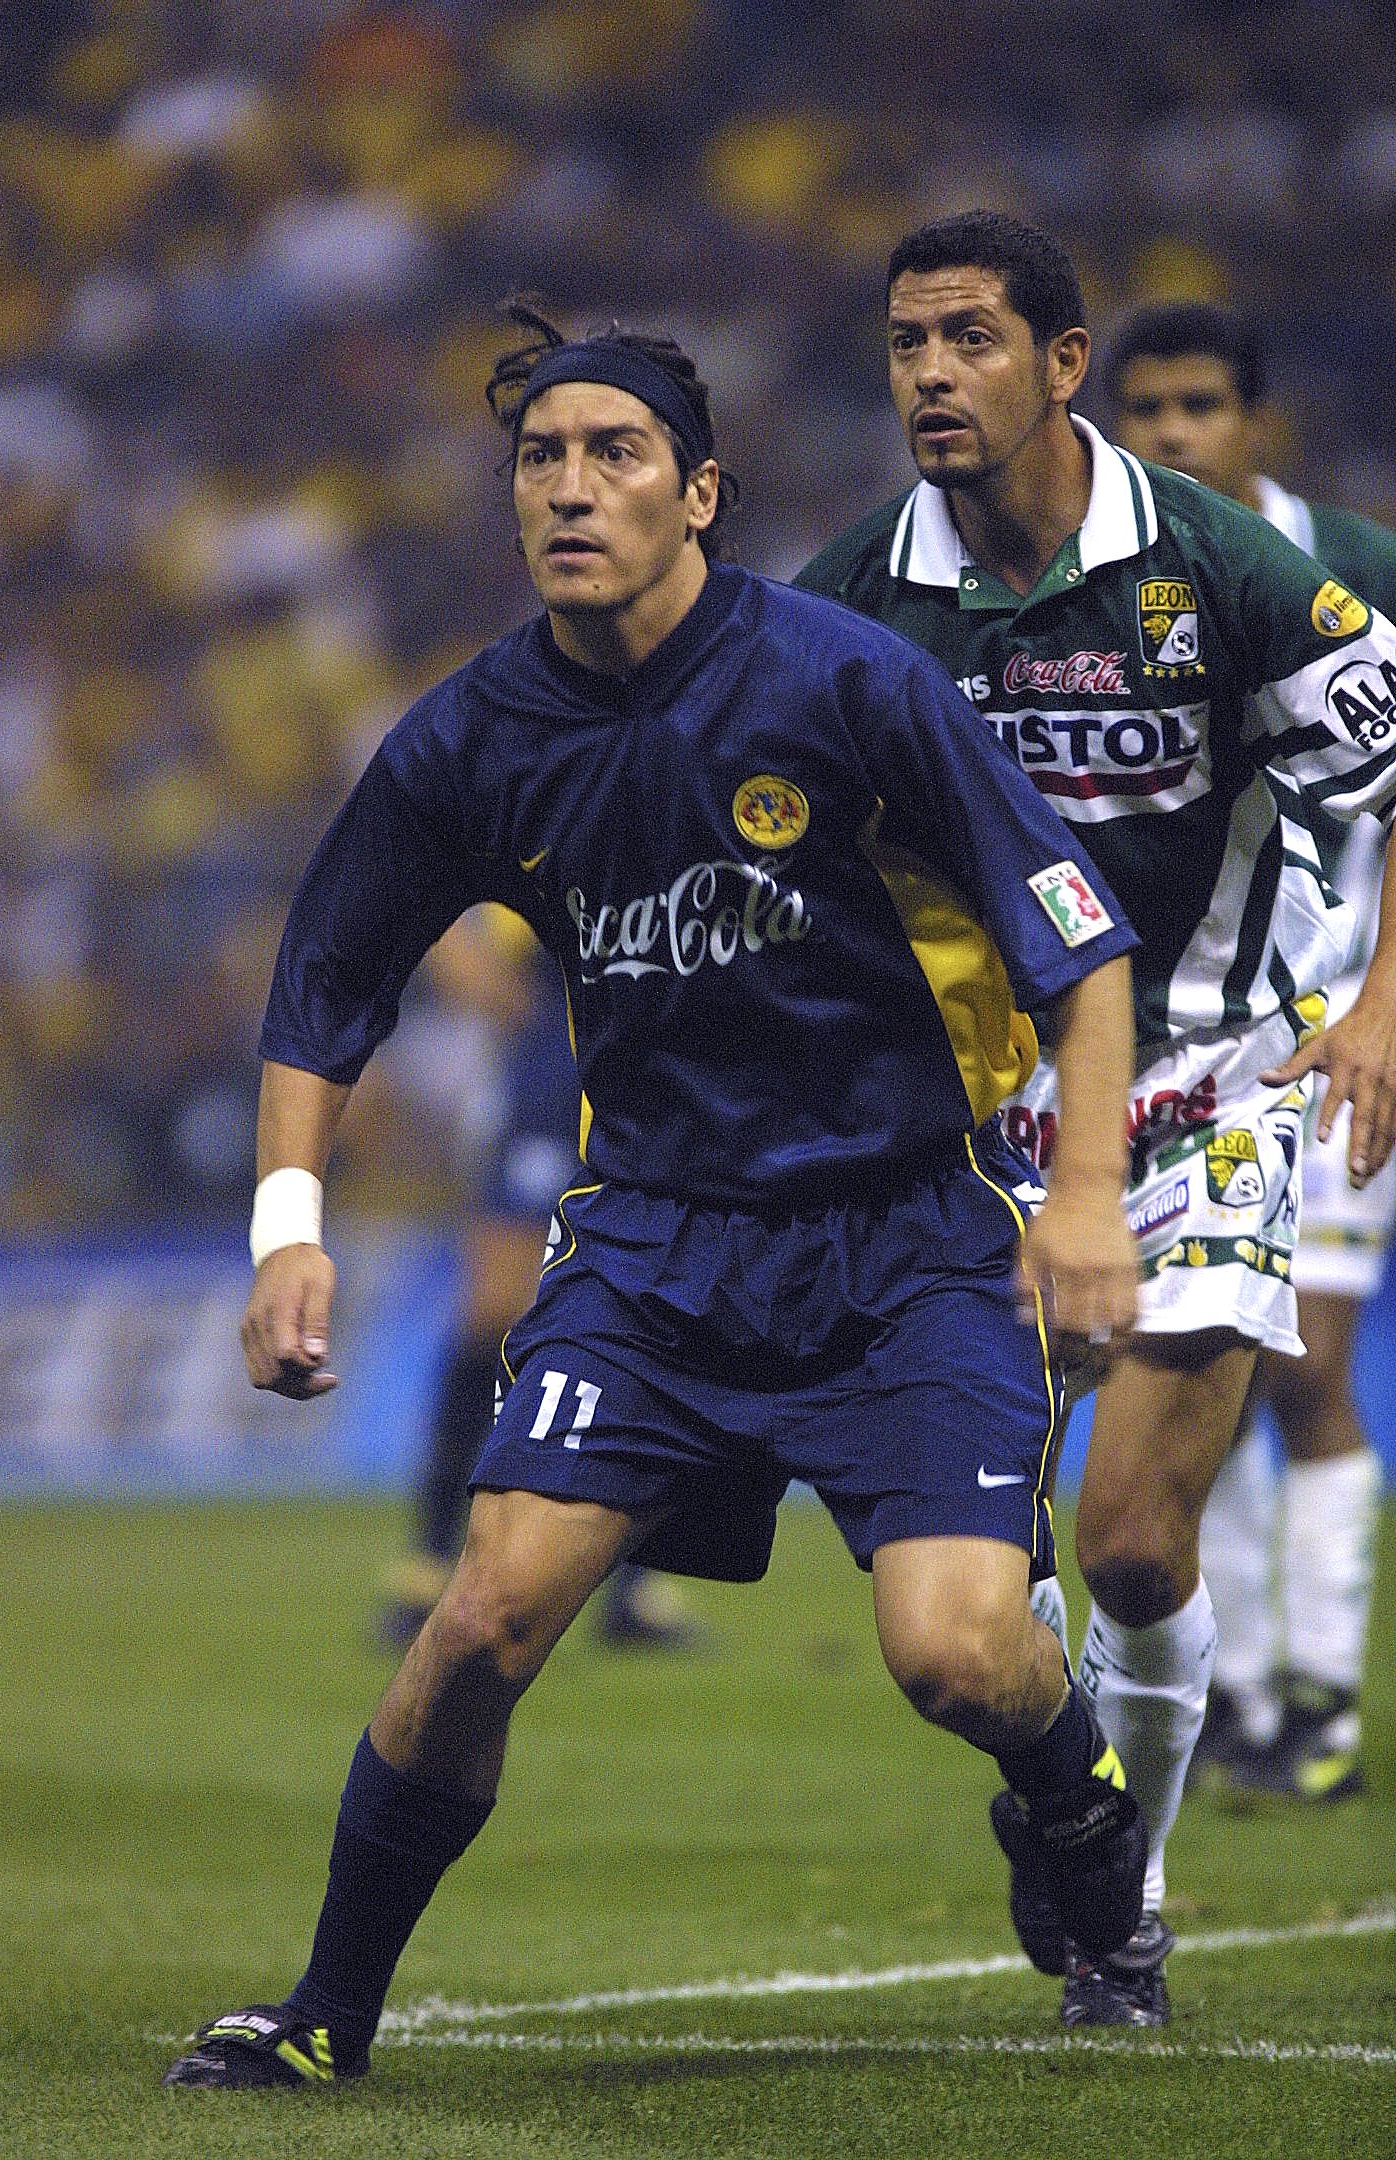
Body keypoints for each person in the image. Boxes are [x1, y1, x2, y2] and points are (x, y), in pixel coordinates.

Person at [165, 305, 1147, 2091]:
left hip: (905, 1241)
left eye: (613, 454)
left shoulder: (847, 682)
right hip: (654, 1241)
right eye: (541, 457)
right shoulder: (476, 733)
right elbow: (325, 979)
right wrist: (285, 1227)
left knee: (950, 1656)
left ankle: (1071, 1787)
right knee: (482, 1621)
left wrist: (1084, 1197)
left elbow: (1076, 943)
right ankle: (325, 2013)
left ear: (699, 492)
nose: (568, 488)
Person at [796, 210, 1396, 2027]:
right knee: (984, 1619)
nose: (928, 375)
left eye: (969, 338)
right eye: (906, 342)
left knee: (1134, 1541)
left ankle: (1114, 1907)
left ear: (1064, 368)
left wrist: (1381, 1006)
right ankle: (1083, 1793)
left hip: (1215, 1082)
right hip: (975, 1122)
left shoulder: (1223, 568)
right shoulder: (852, 595)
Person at [1105, 300, 1395, 1801]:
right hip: (1206, 1045)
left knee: (1312, 1363)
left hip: (1350, 1025)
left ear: (1254, 421)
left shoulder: (1347, 565)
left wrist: (1383, 1007)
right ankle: (1244, 1697)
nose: (1169, 434)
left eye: (1199, 405)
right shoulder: (1117, 573)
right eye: (1144, 407)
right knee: (1207, 1376)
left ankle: (1319, 1691)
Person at [382, 904, 701, 1651]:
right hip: (547, 1087)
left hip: (645, 1086)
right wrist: (511, 1003)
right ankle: (430, 1558)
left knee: (644, 1316)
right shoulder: (554, 818)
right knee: (495, 1311)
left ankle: (632, 1581)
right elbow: (450, 932)